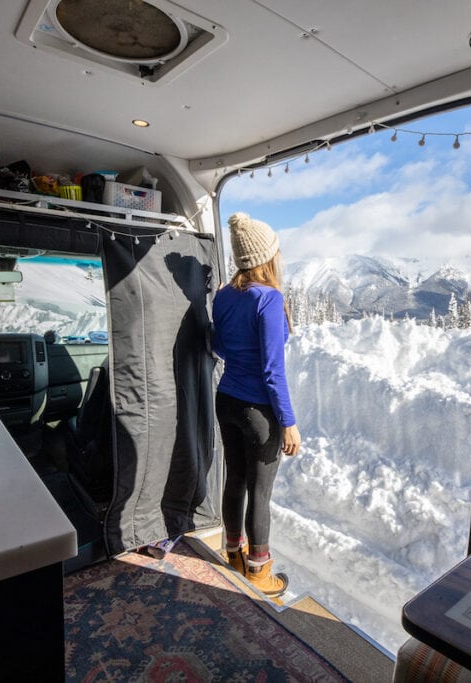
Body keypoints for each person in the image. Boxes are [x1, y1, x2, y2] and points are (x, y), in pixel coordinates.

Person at [211, 212, 301, 598]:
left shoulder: (224, 295)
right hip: (257, 412)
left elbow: (217, 346)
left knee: (235, 480)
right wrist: (289, 422)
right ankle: (260, 574)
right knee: (260, 493)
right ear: (267, 256)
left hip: (226, 400)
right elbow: (272, 372)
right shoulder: (270, 299)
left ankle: (233, 553)